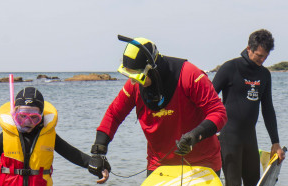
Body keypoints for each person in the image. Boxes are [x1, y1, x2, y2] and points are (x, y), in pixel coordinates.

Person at [90, 35, 227, 178]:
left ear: (151, 68)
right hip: (159, 166)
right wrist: (99, 151)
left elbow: (218, 112)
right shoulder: (135, 85)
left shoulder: (189, 75)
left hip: (202, 164)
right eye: (130, 76)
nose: (134, 82)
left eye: (138, 77)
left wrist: (195, 135)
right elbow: (114, 114)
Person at [212, 29, 285, 186]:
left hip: (249, 136)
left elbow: (268, 109)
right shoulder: (230, 68)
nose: (262, 60)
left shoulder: (264, 74)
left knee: (253, 183)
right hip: (229, 135)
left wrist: (275, 141)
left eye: (265, 56)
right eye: (259, 55)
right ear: (249, 49)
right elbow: (208, 98)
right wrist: (208, 130)